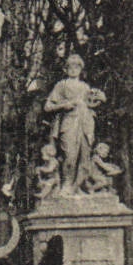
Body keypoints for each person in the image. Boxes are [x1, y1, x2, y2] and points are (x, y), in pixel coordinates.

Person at [43, 53, 105, 194]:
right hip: (69, 122)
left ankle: (79, 186)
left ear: (81, 69)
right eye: (70, 66)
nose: (73, 69)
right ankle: (66, 184)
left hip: (86, 123)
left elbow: (92, 103)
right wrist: (63, 105)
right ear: (65, 69)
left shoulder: (85, 87)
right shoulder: (61, 85)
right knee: (69, 156)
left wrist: (101, 98)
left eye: (77, 66)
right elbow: (47, 106)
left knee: (85, 156)